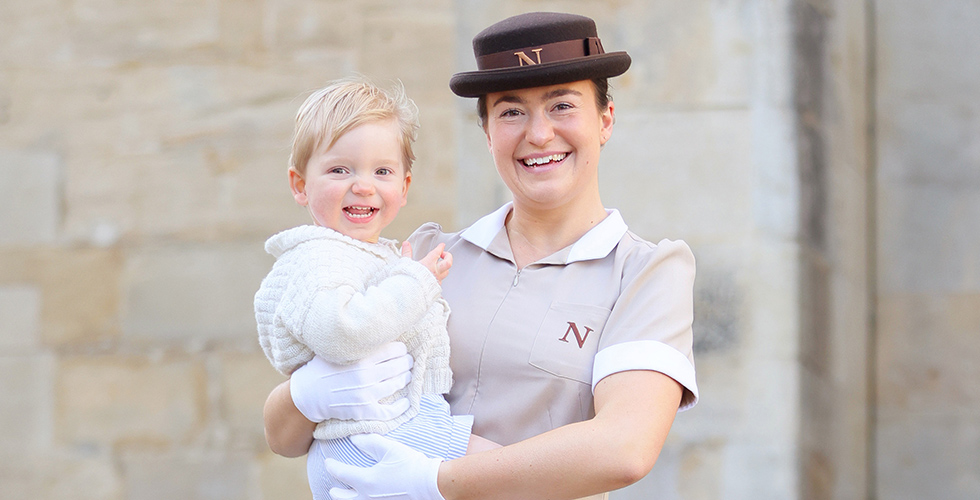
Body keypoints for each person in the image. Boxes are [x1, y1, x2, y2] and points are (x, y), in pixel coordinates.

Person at [263, 12, 700, 500]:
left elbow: (624, 448)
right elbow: (284, 438)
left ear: (605, 119)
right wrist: (305, 397)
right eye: (511, 112)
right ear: (488, 132)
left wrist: (434, 483)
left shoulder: (645, 274)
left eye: (562, 106)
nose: (538, 134)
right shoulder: (427, 256)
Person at [254, 77, 496, 500]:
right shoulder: (319, 257)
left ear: (403, 188)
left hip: (388, 431)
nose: (363, 185)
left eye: (381, 171)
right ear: (299, 185)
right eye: (339, 170)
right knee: (519, 478)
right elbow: (343, 331)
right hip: (378, 437)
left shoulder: (370, 255)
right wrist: (415, 280)